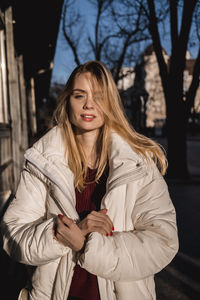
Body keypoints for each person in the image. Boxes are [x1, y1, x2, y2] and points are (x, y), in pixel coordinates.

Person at [1, 61, 178, 300]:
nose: (89, 104)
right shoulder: (43, 162)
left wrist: (87, 246)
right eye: (79, 95)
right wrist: (61, 234)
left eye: (99, 96)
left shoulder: (138, 164)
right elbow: (13, 235)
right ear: (67, 101)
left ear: (111, 103)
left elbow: (162, 241)